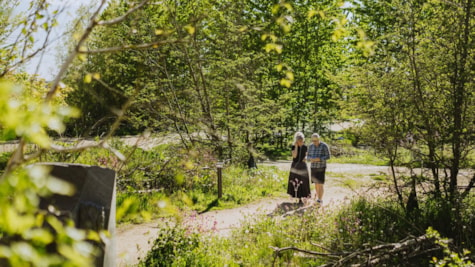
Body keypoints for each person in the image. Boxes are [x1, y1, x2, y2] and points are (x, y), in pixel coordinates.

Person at [287, 132, 311, 204]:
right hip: (295, 165)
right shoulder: (294, 146)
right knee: (295, 180)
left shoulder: (305, 147)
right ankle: (297, 197)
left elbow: (307, 155)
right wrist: (296, 146)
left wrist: (306, 158)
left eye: (302, 141)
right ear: (297, 141)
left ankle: (304, 196)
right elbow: (294, 156)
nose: (301, 142)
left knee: (303, 181)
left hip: (303, 165)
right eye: (299, 141)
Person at [307, 133, 331, 204]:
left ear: (319, 139)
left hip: (321, 167)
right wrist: (310, 159)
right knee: (316, 183)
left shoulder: (324, 146)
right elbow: (307, 157)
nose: (315, 142)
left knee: (320, 183)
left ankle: (320, 199)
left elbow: (328, 156)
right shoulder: (311, 146)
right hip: (313, 167)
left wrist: (319, 159)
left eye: (316, 141)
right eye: (313, 141)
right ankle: (318, 198)